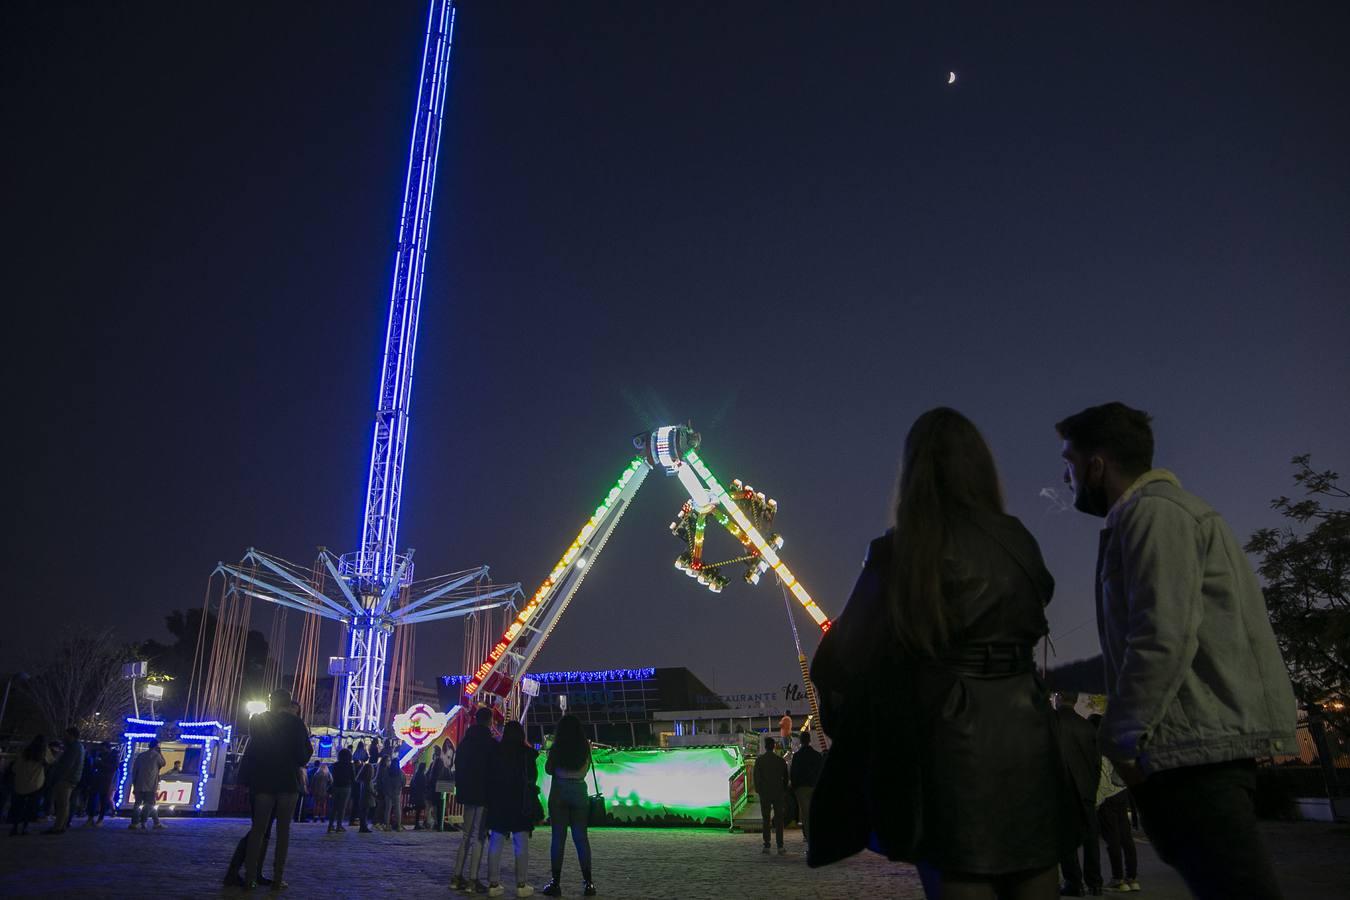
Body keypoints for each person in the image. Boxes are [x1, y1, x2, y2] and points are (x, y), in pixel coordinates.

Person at [810, 407, 1070, 900]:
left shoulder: (903, 551)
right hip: (1027, 735)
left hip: (947, 744)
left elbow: (844, 659)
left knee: (962, 873)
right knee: (1034, 869)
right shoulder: (1020, 542)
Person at [1056, 402, 1297, 899]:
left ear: (1097, 465)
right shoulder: (1160, 513)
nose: (1066, 476)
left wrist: (1120, 741)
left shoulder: (1152, 514)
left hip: (1196, 753)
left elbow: (1160, 637)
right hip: (1195, 745)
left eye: (1070, 462)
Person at [240, 688, 313, 891]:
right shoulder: (296, 723)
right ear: (288, 703)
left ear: (271, 701)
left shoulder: (257, 720)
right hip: (287, 782)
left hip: (263, 781)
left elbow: (253, 749)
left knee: (258, 830)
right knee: (283, 832)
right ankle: (278, 877)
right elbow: (302, 755)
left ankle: (250, 877)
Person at [541, 713, 595, 897]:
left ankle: (555, 883)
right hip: (579, 791)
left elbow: (548, 770)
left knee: (558, 838)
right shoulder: (584, 747)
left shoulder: (557, 747)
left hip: (559, 792)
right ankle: (588, 883)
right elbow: (586, 769)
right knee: (581, 838)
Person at [1055, 693, 1103, 896]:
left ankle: (1074, 881)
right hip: (1086, 788)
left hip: (1061, 787)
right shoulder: (1087, 727)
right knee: (1091, 837)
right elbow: (1096, 761)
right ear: (1074, 701)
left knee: (1066, 837)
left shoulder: (1052, 724)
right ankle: (1095, 882)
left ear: (1058, 699)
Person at [485, 721, 539, 898]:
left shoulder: (496, 752)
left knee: (495, 842)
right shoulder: (527, 755)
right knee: (521, 844)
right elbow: (532, 778)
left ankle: (493, 883)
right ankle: (521, 884)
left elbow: (490, 777)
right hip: (520, 802)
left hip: (499, 802)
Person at [1092, 717, 1139, 894]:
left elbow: (1102, 778)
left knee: (1113, 840)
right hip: (1121, 792)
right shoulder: (1114, 743)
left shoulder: (1098, 748)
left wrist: (1097, 801)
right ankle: (1132, 877)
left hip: (1108, 798)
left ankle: (1118, 879)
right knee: (1126, 838)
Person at [452, 707, 496, 891]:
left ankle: (456, 876)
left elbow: (458, 765)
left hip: (467, 792)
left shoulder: (465, 742)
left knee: (466, 835)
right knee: (479, 836)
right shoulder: (491, 743)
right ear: (490, 721)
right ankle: (473, 879)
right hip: (484, 794)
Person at [9, 735, 52, 836]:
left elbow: (16, 766)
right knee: (30, 807)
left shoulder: (26, 751)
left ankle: (14, 827)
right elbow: (52, 761)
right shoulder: (44, 751)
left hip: (20, 782)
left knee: (18, 806)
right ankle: (25, 827)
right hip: (35, 783)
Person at [44, 727, 84, 834]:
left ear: (71, 735)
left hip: (66, 779)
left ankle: (58, 826)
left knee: (63, 804)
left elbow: (67, 765)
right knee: (64, 804)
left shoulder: (73, 748)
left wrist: (58, 774)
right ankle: (61, 825)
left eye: (66, 735)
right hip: (70, 778)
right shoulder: (77, 747)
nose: (64, 737)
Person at [755, 736, 790, 855]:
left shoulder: (760, 760)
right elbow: (786, 777)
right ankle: (780, 846)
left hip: (765, 793)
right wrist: (783, 790)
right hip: (778, 793)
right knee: (779, 819)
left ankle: (767, 845)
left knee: (766, 819)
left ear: (765, 747)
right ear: (774, 746)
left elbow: (756, 778)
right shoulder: (780, 761)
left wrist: (759, 790)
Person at [789, 730, 823, 847]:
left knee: (805, 814)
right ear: (810, 740)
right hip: (815, 786)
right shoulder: (817, 755)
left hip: (801, 788)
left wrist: (794, 787)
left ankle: (808, 837)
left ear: (801, 741)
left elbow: (793, 773)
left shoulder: (797, 756)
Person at [129, 738, 166, 830]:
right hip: (150, 784)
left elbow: (135, 770)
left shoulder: (141, 755)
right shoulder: (156, 756)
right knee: (149, 804)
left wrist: (134, 783)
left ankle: (134, 823)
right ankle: (144, 822)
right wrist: (160, 752)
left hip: (139, 783)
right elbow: (163, 763)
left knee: (138, 804)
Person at [84, 744, 117, 827]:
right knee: (94, 798)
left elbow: (113, 768)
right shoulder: (100, 756)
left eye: (103, 749)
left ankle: (99, 818)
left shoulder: (112, 757)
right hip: (99, 779)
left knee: (103, 799)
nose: (101, 751)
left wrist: (100, 763)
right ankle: (92, 817)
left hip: (105, 780)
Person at [327, 748, 354, 833]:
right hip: (346, 787)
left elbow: (333, 776)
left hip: (336, 786)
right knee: (342, 808)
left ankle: (330, 825)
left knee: (334, 807)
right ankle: (339, 826)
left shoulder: (335, 765)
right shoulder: (350, 765)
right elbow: (353, 777)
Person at [410, 762, 429, 830]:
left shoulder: (416, 774)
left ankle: (417, 824)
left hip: (416, 794)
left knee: (418, 809)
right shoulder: (422, 776)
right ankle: (417, 824)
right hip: (420, 795)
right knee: (419, 809)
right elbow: (424, 786)